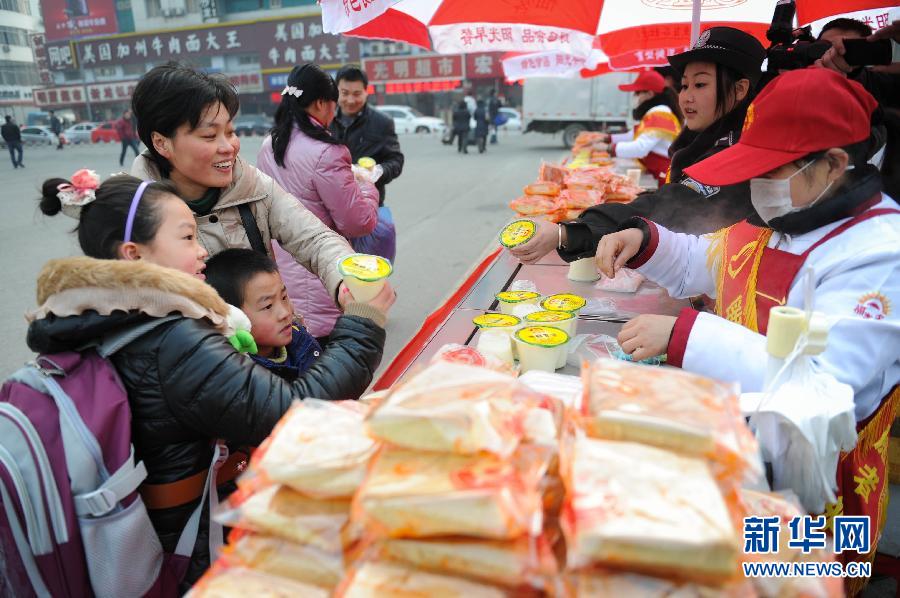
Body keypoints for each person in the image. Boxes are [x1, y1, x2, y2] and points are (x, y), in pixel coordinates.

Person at [595, 69, 899, 592]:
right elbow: (709, 262)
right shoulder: (788, 215)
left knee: (789, 581)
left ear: (832, 164)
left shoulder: (877, 252)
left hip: (814, 486)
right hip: (741, 445)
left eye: (771, 170)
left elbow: (825, 391)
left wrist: (686, 338)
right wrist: (644, 241)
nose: (757, 186)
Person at [30, 171, 390, 588]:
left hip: (152, 524)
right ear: (133, 254)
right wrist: (365, 321)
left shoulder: (101, 316)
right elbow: (292, 412)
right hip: (191, 543)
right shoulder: (171, 337)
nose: (202, 251)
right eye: (186, 238)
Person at [129, 62, 369, 328]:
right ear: (162, 143)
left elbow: (314, 237)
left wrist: (346, 279)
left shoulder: (252, 185)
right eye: (210, 135)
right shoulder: (133, 218)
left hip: (274, 351)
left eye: (230, 132)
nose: (228, 147)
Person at [508, 26, 766, 265]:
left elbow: (673, 206)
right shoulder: (703, 136)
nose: (686, 96)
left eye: (700, 84)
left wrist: (569, 232)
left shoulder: (738, 151)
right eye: (684, 85)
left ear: (740, 89)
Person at [256, 64, 380, 338]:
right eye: (334, 103)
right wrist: (368, 186)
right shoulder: (327, 152)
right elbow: (358, 221)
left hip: (281, 274)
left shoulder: (270, 144)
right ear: (322, 103)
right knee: (327, 364)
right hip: (319, 275)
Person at [205, 249, 324, 381]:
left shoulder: (300, 338)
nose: (285, 313)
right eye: (267, 306)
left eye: (284, 297)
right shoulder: (240, 377)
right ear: (233, 315)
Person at [329, 65, 404, 262]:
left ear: (366, 92)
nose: (350, 100)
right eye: (344, 93)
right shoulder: (324, 120)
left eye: (357, 93)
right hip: (331, 213)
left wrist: (377, 172)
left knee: (369, 273)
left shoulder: (381, 122)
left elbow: (396, 160)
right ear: (336, 91)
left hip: (368, 210)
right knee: (335, 274)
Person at [590, 70, 682, 185]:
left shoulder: (659, 114)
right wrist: (606, 138)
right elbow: (634, 134)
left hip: (664, 175)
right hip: (659, 172)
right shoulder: (657, 112)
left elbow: (640, 148)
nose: (636, 97)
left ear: (649, 94)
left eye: (637, 93)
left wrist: (608, 148)